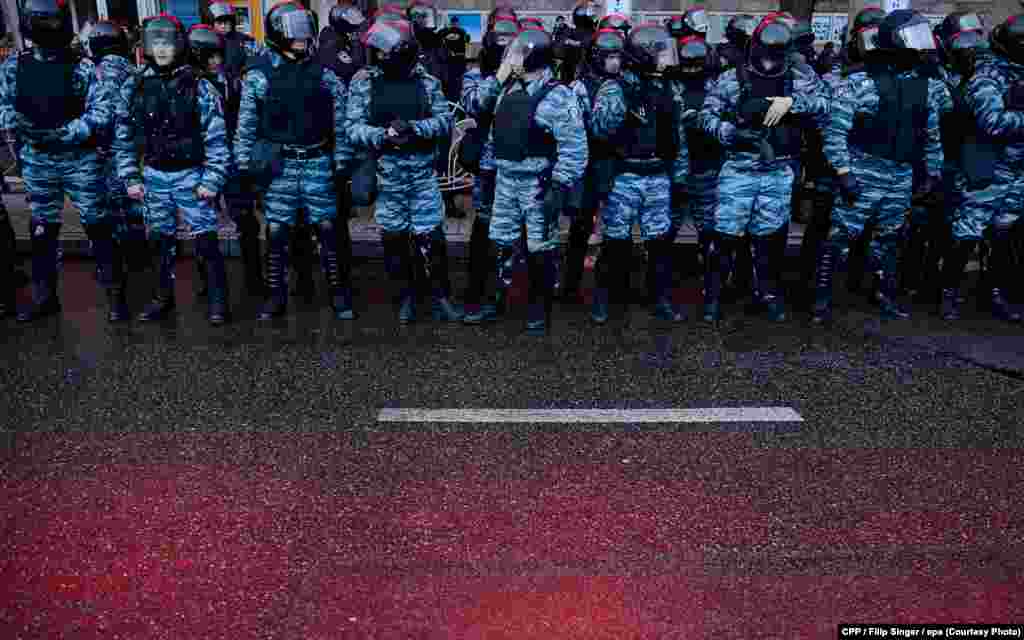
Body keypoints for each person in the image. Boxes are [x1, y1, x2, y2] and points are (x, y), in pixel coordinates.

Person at [813, 10, 950, 325]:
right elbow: (835, 134)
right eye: (913, 37)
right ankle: (821, 299)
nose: (921, 46)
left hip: (900, 174)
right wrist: (844, 173)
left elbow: (931, 135)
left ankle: (884, 294)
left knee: (889, 238)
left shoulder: (927, 86)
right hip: (863, 169)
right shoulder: (860, 83)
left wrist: (933, 173)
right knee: (841, 236)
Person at [700, 14, 829, 324]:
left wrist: (792, 102)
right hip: (740, 168)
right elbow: (706, 118)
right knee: (726, 237)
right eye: (766, 52)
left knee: (769, 238)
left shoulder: (798, 77)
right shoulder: (732, 78)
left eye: (777, 54)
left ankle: (768, 293)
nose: (771, 61)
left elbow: (826, 104)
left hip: (779, 170)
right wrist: (732, 133)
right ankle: (714, 296)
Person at [234, 1, 354, 321]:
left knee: (328, 229)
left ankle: (338, 295)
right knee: (277, 232)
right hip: (279, 165)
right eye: (294, 30)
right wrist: (244, 166)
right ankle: (276, 297)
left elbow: (340, 123)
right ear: (277, 32)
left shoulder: (324, 75)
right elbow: (246, 125)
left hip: (316, 160)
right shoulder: (259, 75)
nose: (301, 37)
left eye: (304, 29)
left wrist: (341, 162)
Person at [1, 0, 117, 323]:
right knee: (42, 229)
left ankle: (115, 295)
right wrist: (23, 128)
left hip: (80, 159)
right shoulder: (15, 66)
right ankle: (44, 296)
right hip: (38, 159)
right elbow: (5, 105)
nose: (46, 30)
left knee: (98, 225)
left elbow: (101, 111)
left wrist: (66, 132)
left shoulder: (82, 66)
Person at [114, 14, 231, 325]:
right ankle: (161, 297)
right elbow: (123, 135)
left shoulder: (199, 85)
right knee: (159, 242)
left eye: (167, 43)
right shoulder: (135, 85)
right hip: (153, 176)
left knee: (206, 241)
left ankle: (218, 300)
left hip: (191, 176)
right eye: (156, 43)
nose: (162, 49)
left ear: (178, 46)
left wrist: (213, 179)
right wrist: (130, 176)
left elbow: (217, 138)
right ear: (147, 46)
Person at [346, 18, 462, 324]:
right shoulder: (364, 82)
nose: (379, 57)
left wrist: (415, 128)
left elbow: (444, 121)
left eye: (384, 52)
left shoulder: (427, 83)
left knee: (431, 237)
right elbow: (352, 128)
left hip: (422, 174)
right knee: (394, 239)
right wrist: (382, 134)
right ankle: (405, 297)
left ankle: (440, 296)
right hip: (387, 173)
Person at [474, 28, 588, 335]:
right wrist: (498, 76)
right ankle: (495, 302)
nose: (512, 58)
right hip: (505, 180)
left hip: (538, 184)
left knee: (540, 248)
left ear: (534, 57)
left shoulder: (557, 94)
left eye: (518, 54)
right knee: (500, 241)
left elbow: (575, 148)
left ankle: (539, 312)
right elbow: (480, 109)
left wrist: (559, 188)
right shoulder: (506, 87)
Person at [590, 23, 688, 324]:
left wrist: (681, 178)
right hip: (626, 175)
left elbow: (678, 135)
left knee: (659, 244)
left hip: (658, 174)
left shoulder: (669, 88)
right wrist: (624, 102)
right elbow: (600, 128)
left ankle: (659, 299)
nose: (665, 58)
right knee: (615, 243)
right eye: (659, 52)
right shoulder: (616, 86)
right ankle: (604, 300)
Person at [948, 14, 1024, 322]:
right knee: (968, 233)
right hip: (988, 170)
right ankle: (949, 294)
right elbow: (992, 122)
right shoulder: (987, 76)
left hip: (1017, 171)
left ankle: (993, 294)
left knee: (1005, 234)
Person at [460, 12, 519, 324]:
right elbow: (474, 105)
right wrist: (498, 77)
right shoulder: (475, 77)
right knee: (482, 227)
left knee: (513, 229)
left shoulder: (525, 77)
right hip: (487, 164)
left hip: (517, 164)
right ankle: (475, 287)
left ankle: (506, 290)